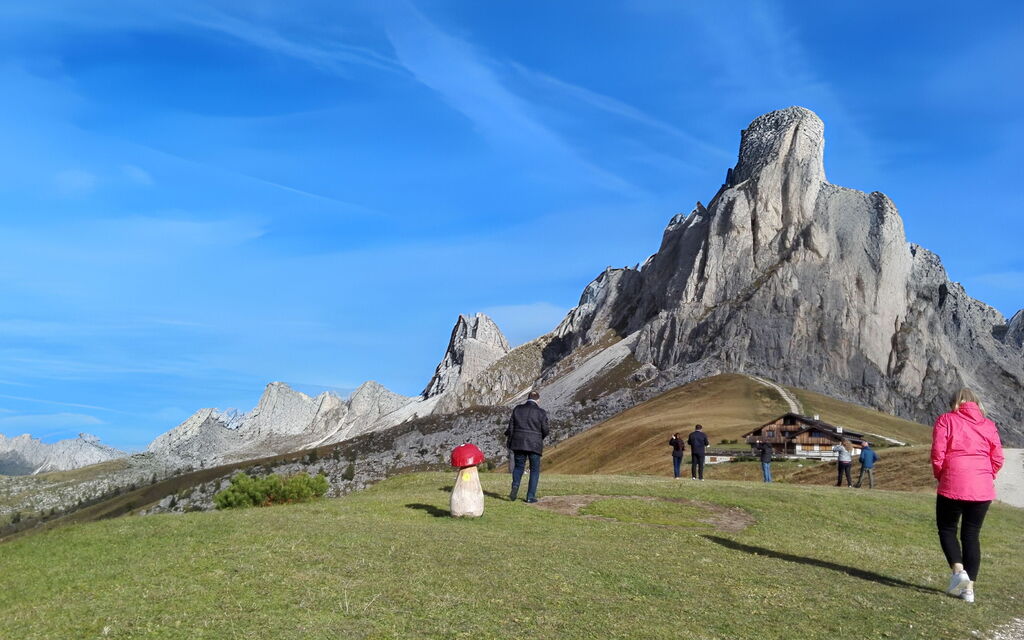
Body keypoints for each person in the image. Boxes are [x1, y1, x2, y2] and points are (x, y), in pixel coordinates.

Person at [931, 388, 1004, 603]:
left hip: (953, 482)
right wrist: (986, 474)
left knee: (947, 528)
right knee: (971, 535)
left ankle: (958, 570)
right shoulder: (989, 425)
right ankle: (968, 590)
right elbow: (998, 457)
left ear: (955, 402)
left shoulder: (946, 420)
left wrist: (941, 475)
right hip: (982, 488)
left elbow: (938, 452)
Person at [505, 389, 549, 503]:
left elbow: (511, 427)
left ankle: (515, 485)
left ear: (527, 398)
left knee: (519, 467)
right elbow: (545, 430)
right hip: (535, 444)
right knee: (534, 470)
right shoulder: (541, 412)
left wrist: (511, 440)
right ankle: (530, 497)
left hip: (519, 443)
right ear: (538, 400)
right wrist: (540, 438)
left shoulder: (517, 409)